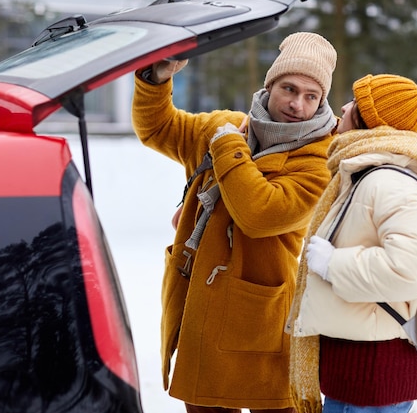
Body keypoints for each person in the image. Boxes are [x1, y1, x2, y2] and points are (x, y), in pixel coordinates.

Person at [131, 32, 339, 413]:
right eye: (288, 89)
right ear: (269, 85)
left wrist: (228, 148)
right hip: (203, 313)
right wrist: (155, 80)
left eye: (311, 96)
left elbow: (259, 213)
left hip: (263, 321)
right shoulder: (228, 125)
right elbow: (158, 129)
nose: (297, 104)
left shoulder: (318, 160)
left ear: (322, 101)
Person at [285, 74, 417, 413]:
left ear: (371, 119)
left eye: (354, 102)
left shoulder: (387, 181)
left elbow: (414, 268)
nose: (343, 107)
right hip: (362, 371)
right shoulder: (368, 174)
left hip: (371, 377)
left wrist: (333, 265)